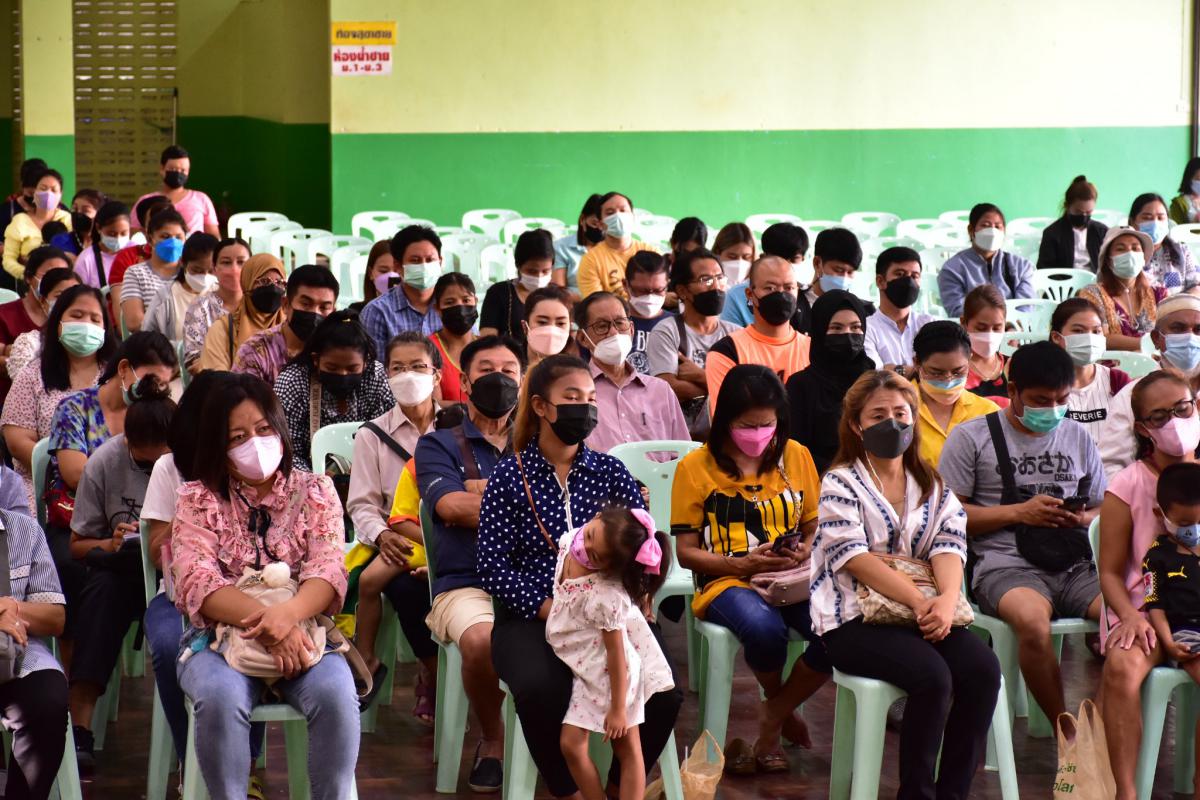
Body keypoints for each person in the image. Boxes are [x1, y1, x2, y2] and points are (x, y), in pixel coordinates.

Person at [479, 354, 682, 800]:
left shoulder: (610, 472)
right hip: (533, 615)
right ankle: (568, 791)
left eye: (590, 399)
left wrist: (639, 602)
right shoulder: (509, 477)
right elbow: (493, 566)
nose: (585, 408)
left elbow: (644, 548)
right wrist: (552, 609)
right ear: (540, 406)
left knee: (663, 692)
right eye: (572, 398)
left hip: (610, 613)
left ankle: (616, 788)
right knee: (539, 688)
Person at [811, 369, 999, 799]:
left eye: (900, 413)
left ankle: (953, 793)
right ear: (856, 425)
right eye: (878, 415)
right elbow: (853, 557)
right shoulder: (840, 482)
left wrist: (946, 600)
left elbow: (949, 545)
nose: (892, 423)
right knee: (932, 677)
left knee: (983, 669)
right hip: (854, 620)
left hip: (925, 613)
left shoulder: (931, 483)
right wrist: (919, 601)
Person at [170, 373, 358, 800]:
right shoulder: (197, 498)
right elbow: (197, 579)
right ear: (218, 446)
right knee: (218, 697)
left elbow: (328, 570)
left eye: (263, 429)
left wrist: (287, 618)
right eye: (237, 437)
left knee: (335, 696)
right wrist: (272, 626)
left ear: (280, 428)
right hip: (217, 638)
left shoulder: (316, 490)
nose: (254, 443)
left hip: (305, 630)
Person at [939, 340, 1105, 729]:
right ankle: (1065, 729)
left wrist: (1080, 518)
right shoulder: (971, 438)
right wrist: (1019, 512)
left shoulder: (1077, 436)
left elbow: (1104, 507)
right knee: (1032, 622)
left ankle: (1098, 725)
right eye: (1040, 400)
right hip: (1005, 565)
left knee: (1127, 620)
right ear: (1012, 390)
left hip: (1074, 564)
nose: (1052, 410)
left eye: (1061, 400)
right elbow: (948, 518)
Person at [674, 365, 829, 770]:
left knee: (837, 629)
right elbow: (686, 553)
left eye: (767, 425)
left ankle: (773, 711)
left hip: (790, 577)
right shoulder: (696, 467)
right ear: (725, 419)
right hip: (726, 578)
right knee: (764, 629)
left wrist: (804, 549)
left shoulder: (795, 455)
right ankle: (779, 715)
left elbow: (814, 524)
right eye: (747, 425)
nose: (759, 434)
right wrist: (741, 563)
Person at [413, 334, 525, 790]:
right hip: (466, 582)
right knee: (480, 640)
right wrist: (526, 501)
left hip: (539, 577)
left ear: (524, 381)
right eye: (486, 370)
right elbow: (450, 507)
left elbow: (572, 507)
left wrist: (481, 492)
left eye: (509, 371)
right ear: (464, 380)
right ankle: (494, 739)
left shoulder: (540, 441)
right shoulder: (437, 444)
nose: (499, 378)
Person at [1096, 373, 1198, 798]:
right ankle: (1125, 790)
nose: (1174, 420)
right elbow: (1109, 572)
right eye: (1159, 416)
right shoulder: (1127, 484)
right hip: (1143, 608)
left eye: (1182, 408)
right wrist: (1130, 617)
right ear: (1142, 428)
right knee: (1122, 668)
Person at [64, 378, 174, 769]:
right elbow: (78, 545)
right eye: (143, 465)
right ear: (126, 442)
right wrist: (111, 543)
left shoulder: (192, 462)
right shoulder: (104, 462)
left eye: (160, 463)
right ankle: (80, 727)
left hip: (180, 573)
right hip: (124, 570)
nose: (153, 472)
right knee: (100, 593)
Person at [346, 332, 441, 719]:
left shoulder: (456, 428)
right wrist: (383, 535)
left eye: (418, 366)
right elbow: (362, 504)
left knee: (419, 582)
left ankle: (434, 674)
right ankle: (424, 671)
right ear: (386, 376)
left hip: (447, 536)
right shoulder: (373, 434)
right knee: (402, 586)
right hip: (396, 536)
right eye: (398, 368)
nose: (408, 375)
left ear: (436, 375)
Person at [551, 508, 674, 800]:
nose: (585, 547)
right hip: (586, 668)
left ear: (610, 568)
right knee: (571, 745)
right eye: (590, 535)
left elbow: (617, 655)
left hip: (611, 677)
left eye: (595, 556)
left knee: (627, 748)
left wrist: (618, 709)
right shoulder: (570, 541)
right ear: (597, 516)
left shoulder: (606, 595)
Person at [2, 285, 116, 508]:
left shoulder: (115, 378)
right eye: (77, 315)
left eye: (95, 319)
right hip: (45, 488)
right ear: (58, 322)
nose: (86, 324)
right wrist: (66, 469)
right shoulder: (33, 374)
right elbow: (17, 441)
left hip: (110, 488)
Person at [0, 506, 69, 800]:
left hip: (16, 654)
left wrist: (13, 607)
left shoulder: (24, 530)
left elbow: (55, 618)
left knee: (48, 702)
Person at [275, 310, 393, 472]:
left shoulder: (376, 376)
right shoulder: (293, 382)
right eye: (332, 368)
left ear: (365, 362)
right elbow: (286, 451)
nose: (343, 374)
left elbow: (387, 437)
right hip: (308, 476)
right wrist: (315, 480)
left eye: (352, 368)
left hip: (370, 471)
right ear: (316, 359)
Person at [1100, 293, 1200, 477]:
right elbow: (1110, 467)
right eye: (1178, 328)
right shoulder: (1133, 395)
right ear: (1156, 339)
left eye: (1198, 330)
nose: (1190, 337)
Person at [574, 292, 688, 452]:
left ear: (632, 329)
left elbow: (684, 453)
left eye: (620, 323)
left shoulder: (661, 390)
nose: (614, 333)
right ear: (582, 338)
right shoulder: (576, 395)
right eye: (602, 326)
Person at [647, 247, 739, 440]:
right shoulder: (667, 331)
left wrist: (700, 376)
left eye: (720, 278)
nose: (716, 287)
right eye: (706, 280)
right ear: (682, 290)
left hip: (728, 437)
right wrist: (726, 388)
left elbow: (747, 392)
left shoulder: (736, 334)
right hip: (680, 439)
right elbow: (668, 388)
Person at [706, 256, 811, 414]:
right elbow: (728, 420)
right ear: (750, 294)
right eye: (770, 288)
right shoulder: (727, 352)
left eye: (789, 288)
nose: (781, 295)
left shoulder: (813, 350)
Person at [787, 290, 874, 473]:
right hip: (819, 480)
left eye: (855, 327)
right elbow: (795, 451)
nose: (847, 335)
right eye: (836, 328)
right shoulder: (800, 386)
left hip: (875, 478)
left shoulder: (874, 382)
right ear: (819, 331)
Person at [232, 264, 339, 386]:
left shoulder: (339, 351)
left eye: (324, 307)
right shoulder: (256, 351)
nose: (315, 313)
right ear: (285, 305)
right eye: (306, 304)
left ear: (333, 312)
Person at [912, 321, 1000, 467]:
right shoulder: (898, 410)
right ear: (916, 363)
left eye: (958, 372)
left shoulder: (989, 413)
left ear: (969, 360)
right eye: (936, 373)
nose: (948, 380)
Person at [1049, 297, 1133, 445]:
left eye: (1096, 331)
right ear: (1056, 337)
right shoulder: (1043, 384)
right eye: (1078, 331)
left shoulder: (1117, 381)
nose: (1089, 337)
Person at [1077, 225, 1166, 352]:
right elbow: (1101, 338)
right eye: (1120, 249)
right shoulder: (1092, 293)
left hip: (1155, 360)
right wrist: (1146, 344)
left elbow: (1169, 333)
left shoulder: (1159, 293)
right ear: (1108, 260)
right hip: (1113, 362)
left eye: (1135, 248)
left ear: (1143, 257)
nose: (1129, 253)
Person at [937, 203, 1035, 317]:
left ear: (1004, 231)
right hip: (974, 327)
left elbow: (1026, 307)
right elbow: (956, 309)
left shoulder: (1021, 266)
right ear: (971, 230)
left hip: (1016, 326)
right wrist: (990, 323)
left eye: (997, 226)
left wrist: (1011, 324)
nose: (992, 232)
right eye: (985, 225)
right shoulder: (952, 269)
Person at [0, 245, 70, 403]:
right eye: (49, 275)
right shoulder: (4, 314)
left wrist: (15, 353)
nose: (56, 282)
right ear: (28, 277)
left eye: (62, 275)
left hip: (61, 402)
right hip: (11, 401)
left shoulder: (73, 319)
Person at [360, 225, 445, 353]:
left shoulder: (454, 304)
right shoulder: (377, 312)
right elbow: (376, 364)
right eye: (415, 261)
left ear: (440, 262)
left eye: (430, 260)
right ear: (397, 266)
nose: (424, 266)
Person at [199, 253, 286, 372]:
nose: (273, 288)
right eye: (264, 281)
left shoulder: (289, 328)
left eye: (279, 282)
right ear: (247, 283)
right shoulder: (223, 329)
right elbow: (215, 379)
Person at [183, 237, 250, 372]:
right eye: (226, 262)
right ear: (214, 268)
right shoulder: (200, 307)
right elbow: (193, 360)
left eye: (241, 262)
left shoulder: (260, 305)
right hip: (213, 381)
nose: (234, 269)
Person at [863, 246, 935, 372]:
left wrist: (893, 369)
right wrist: (920, 371)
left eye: (914, 276)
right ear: (880, 281)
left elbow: (940, 369)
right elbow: (877, 374)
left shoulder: (929, 324)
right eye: (900, 274)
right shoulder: (866, 328)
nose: (909, 281)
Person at [5, 267, 81, 381]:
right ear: (43, 301)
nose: (67, 303)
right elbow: (25, 385)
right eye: (59, 296)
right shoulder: (29, 344)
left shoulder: (91, 342)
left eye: (74, 297)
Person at [576, 192, 657, 299]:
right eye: (610, 213)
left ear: (633, 217)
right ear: (600, 224)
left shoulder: (652, 252)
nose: (618, 216)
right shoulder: (590, 260)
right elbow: (597, 304)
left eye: (623, 210)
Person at [120, 207, 187, 333]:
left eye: (178, 237)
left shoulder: (191, 275)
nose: (173, 242)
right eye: (165, 236)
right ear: (150, 240)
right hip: (152, 343)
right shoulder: (136, 274)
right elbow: (134, 323)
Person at [480, 229, 555, 341]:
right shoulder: (498, 293)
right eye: (532, 271)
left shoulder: (557, 296)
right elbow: (487, 339)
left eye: (545, 271)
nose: (539, 277)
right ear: (518, 265)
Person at [142, 232, 219, 340]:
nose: (204, 276)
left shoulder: (222, 293)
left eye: (211, 271)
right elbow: (146, 339)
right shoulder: (165, 298)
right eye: (197, 270)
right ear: (182, 262)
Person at [133, 145, 219, 236]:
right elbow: (134, 235)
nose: (178, 173)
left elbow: (214, 236)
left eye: (183, 170)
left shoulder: (201, 199)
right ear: (162, 168)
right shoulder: (145, 202)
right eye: (173, 169)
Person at [2, 167, 70, 282]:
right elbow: (8, 260)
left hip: (62, 282)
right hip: (28, 285)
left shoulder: (67, 219)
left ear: (60, 195)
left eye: (53, 190)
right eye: (43, 188)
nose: (48, 194)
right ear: (35, 192)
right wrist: (30, 276)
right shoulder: (20, 221)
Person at [108, 195, 171, 308]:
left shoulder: (189, 257)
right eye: (157, 224)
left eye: (171, 220)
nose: (167, 228)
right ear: (144, 231)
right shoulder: (128, 258)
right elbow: (121, 309)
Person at [1129, 192, 1199, 292]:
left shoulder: (1182, 251)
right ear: (1132, 222)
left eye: (1161, 218)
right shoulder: (1126, 255)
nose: (1155, 223)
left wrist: (1187, 299)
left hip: (1181, 302)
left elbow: (1196, 285)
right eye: (1147, 218)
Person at [1036, 175, 1108, 271]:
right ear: (1067, 206)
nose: (1083, 216)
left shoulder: (1102, 231)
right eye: (1078, 212)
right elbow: (1044, 269)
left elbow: (1109, 264)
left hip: (1096, 279)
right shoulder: (1052, 234)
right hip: (1064, 280)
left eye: (1088, 212)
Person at [430, 273, 478, 403]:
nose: (460, 308)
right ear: (437, 309)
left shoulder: (486, 347)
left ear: (475, 302)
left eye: (466, 300)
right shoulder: (427, 349)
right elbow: (434, 405)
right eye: (449, 302)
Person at [961, 284, 1010, 408]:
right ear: (964, 323)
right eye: (981, 328)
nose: (989, 335)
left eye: (997, 328)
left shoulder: (1014, 366)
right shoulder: (955, 371)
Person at [624, 251, 672, 374]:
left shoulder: (677, 326)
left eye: (658, 290)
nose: (650, 297)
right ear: (625, 285)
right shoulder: (611, 324)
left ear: (667, 286)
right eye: (641, 291)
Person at [552, 193, 603, 299]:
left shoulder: (614, 248)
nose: (599, 229)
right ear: (582, 219)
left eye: (603, 225)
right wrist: (593, 298)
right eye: (594, 223)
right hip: (574, 306)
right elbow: (558, 292)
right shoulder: (561, 247)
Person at [71, 201, 131, 289]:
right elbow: (78, 293)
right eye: (112, 234)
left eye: (123, 233)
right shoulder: (86, 260)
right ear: (98, 228)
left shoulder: (139, 253)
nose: (118, 239)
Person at [713, 222, 758, 324]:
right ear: (717, 253)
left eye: (746, 257)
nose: (740, 263)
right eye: (732, 257)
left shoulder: (758, 288)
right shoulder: (707, 287)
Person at [520, 284, 573, 367]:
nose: (552, 330)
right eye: (542, 322)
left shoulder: (577, 371)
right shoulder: (507, 365)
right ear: (525, 326)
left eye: (560, 323)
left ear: (570, 327)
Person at [0, 158, 48, 238]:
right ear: (22, 184)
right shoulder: (6, 211)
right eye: (31, 193)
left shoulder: (59, 211)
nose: (34, 198)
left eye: (39, 194)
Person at [51, 188, 105, 256]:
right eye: (75, 209)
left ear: (99, 214)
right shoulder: (60, 241)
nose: (78, 213)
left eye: (85, 210)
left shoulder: (106, 244)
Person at [348, 239, 397, 315]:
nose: (391, 276)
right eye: (383, 271)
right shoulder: (357, 312)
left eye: (396, 271)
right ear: (370, 273)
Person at [1170, 156, 1200, 224]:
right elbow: (1175, 228)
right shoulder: (1178, 204)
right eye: (1199, 179)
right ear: (1189, 179)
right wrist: (1195, 221)